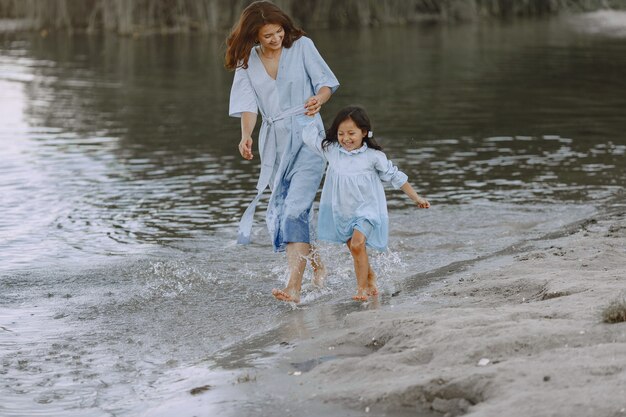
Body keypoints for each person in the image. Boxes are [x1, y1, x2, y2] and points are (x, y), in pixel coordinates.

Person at [225, 1, 339, 303]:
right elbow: (248, 104)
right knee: (290, 208)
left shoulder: (301, 46)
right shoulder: (246, 62)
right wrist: (246, 135)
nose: (276, 39)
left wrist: (319, 99)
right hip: (274, 141)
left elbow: (326, 82)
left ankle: (293, 287)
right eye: (268, 36)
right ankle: (318, 266)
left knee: (293, 209)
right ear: (254, 37)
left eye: (278, 32)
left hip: (307, 135)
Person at [302, 106, 430, 301]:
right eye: (341, 133)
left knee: (357, 244)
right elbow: (310, 137)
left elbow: (395, 177)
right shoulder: (332, 151)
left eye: (351, 133)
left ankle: (362, 289)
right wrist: (311, 113)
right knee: (356, 249)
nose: (346, 138)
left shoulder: (373, 156)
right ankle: (370, 277)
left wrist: (417, 198)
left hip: (367, 210)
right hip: (342, 211)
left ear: (363, 132)